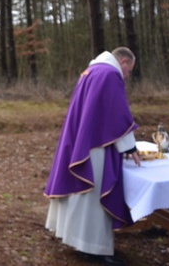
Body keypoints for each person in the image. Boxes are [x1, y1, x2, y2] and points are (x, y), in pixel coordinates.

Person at [44, 47, 141, 266]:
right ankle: (93, 248)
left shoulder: (92, 71)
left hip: (84, 136)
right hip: (95, 143)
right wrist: (129, 146)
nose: (127, 75)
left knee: (80, 194)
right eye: (129, 70)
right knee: (92, 194)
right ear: (124, 61)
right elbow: (117, 113)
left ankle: (76, 239)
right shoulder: (109, 74)